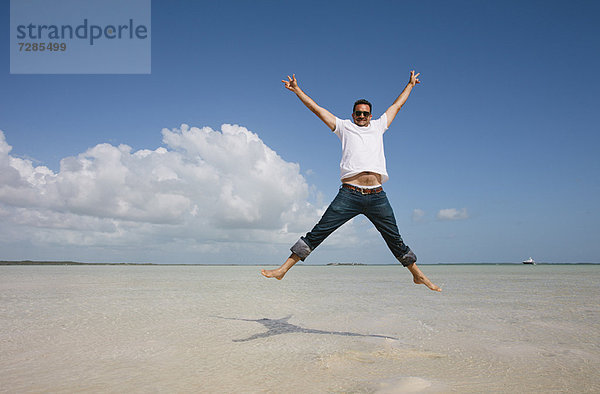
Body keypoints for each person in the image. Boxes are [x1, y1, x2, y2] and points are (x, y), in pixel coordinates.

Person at [261, 71, 441, 292]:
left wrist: (410, 85)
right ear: (353, 114)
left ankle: (418, 275)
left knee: (394, 239)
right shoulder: (344, 127)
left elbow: (397, 106)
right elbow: (317, 109)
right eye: (358, 114)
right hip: (349, 194)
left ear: (371, 116)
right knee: (318, 232)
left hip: (377, 196)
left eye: (365, 114)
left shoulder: (379, 127)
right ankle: (283, 270)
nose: (362, 117)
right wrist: (297, 90)